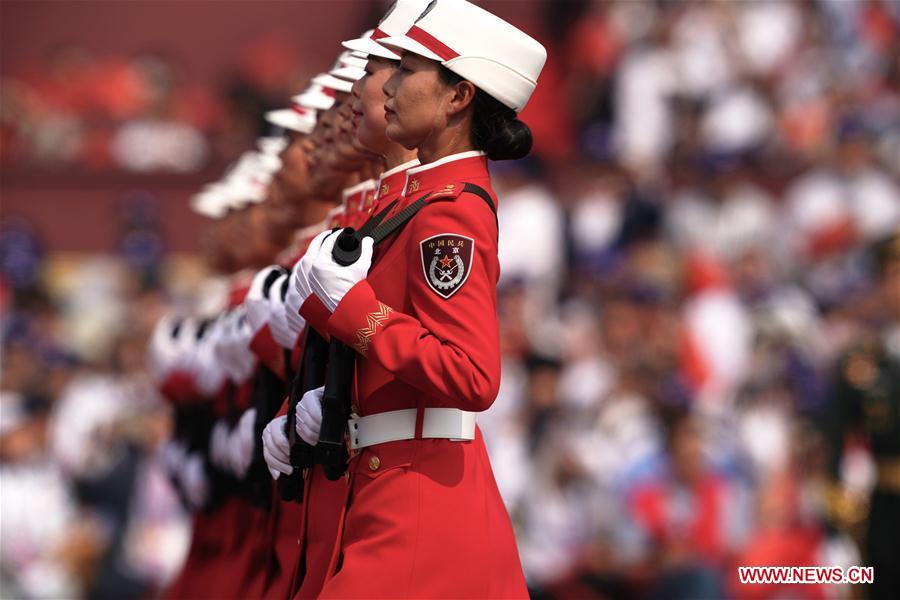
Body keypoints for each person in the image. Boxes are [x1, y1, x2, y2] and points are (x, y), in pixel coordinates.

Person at [286, 0, 547, 595]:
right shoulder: (415, 203)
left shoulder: (451, 213)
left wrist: (353, 311)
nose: (387, 88)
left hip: (420, 502)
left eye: (406, 71)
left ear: (458, 97)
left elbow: (471, 374)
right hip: (388, 485)